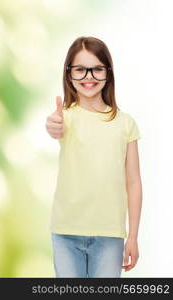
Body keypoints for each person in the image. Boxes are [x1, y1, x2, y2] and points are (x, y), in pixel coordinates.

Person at [45, 36, 142, 278]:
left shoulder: (125, 123)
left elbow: (134, 182)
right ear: (69, 75)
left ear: (108, 73)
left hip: (110, 235)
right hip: (66, 232)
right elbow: (54, 127)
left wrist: (133, 236)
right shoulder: (64, 118)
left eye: (97, 69)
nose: (89, 76)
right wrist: (53, 126)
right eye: (80, 69)